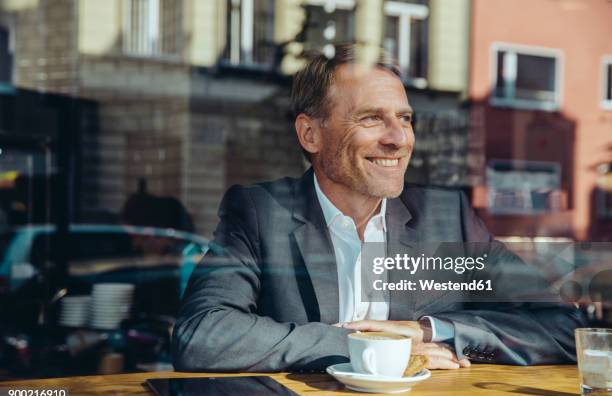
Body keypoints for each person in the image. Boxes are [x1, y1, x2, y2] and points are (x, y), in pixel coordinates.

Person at [172, 44, 585, 373]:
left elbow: (564, 329)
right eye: (371, 118)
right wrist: (365, 347)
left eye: (404, 119)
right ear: (311, 134)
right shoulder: (261, 213)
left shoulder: (447, 218)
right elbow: (202, 336)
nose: (398, 139)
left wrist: (429, 331)